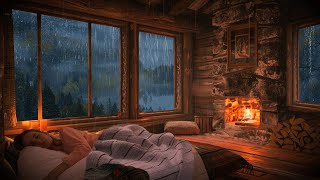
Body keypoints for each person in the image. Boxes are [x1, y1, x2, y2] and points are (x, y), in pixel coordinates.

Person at [14, 127, 100, 180]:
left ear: (43, 133)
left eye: (37, 136)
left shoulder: (64, 132)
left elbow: (84, 149)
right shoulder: (56, 153)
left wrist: (54, 173)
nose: (39, 142)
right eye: (33, 144)